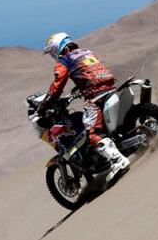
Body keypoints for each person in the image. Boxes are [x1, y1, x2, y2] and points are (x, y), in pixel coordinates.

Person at [37, 32, 130, 181]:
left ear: (56, 48)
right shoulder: (86, 52)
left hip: (95, 94)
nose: (53, 55)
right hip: (111, 86)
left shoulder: (64, 60)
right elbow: (89, 71)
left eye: (52, 52)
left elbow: (57, 86)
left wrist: (44, 106)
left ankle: (118, 161)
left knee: (92, 132)